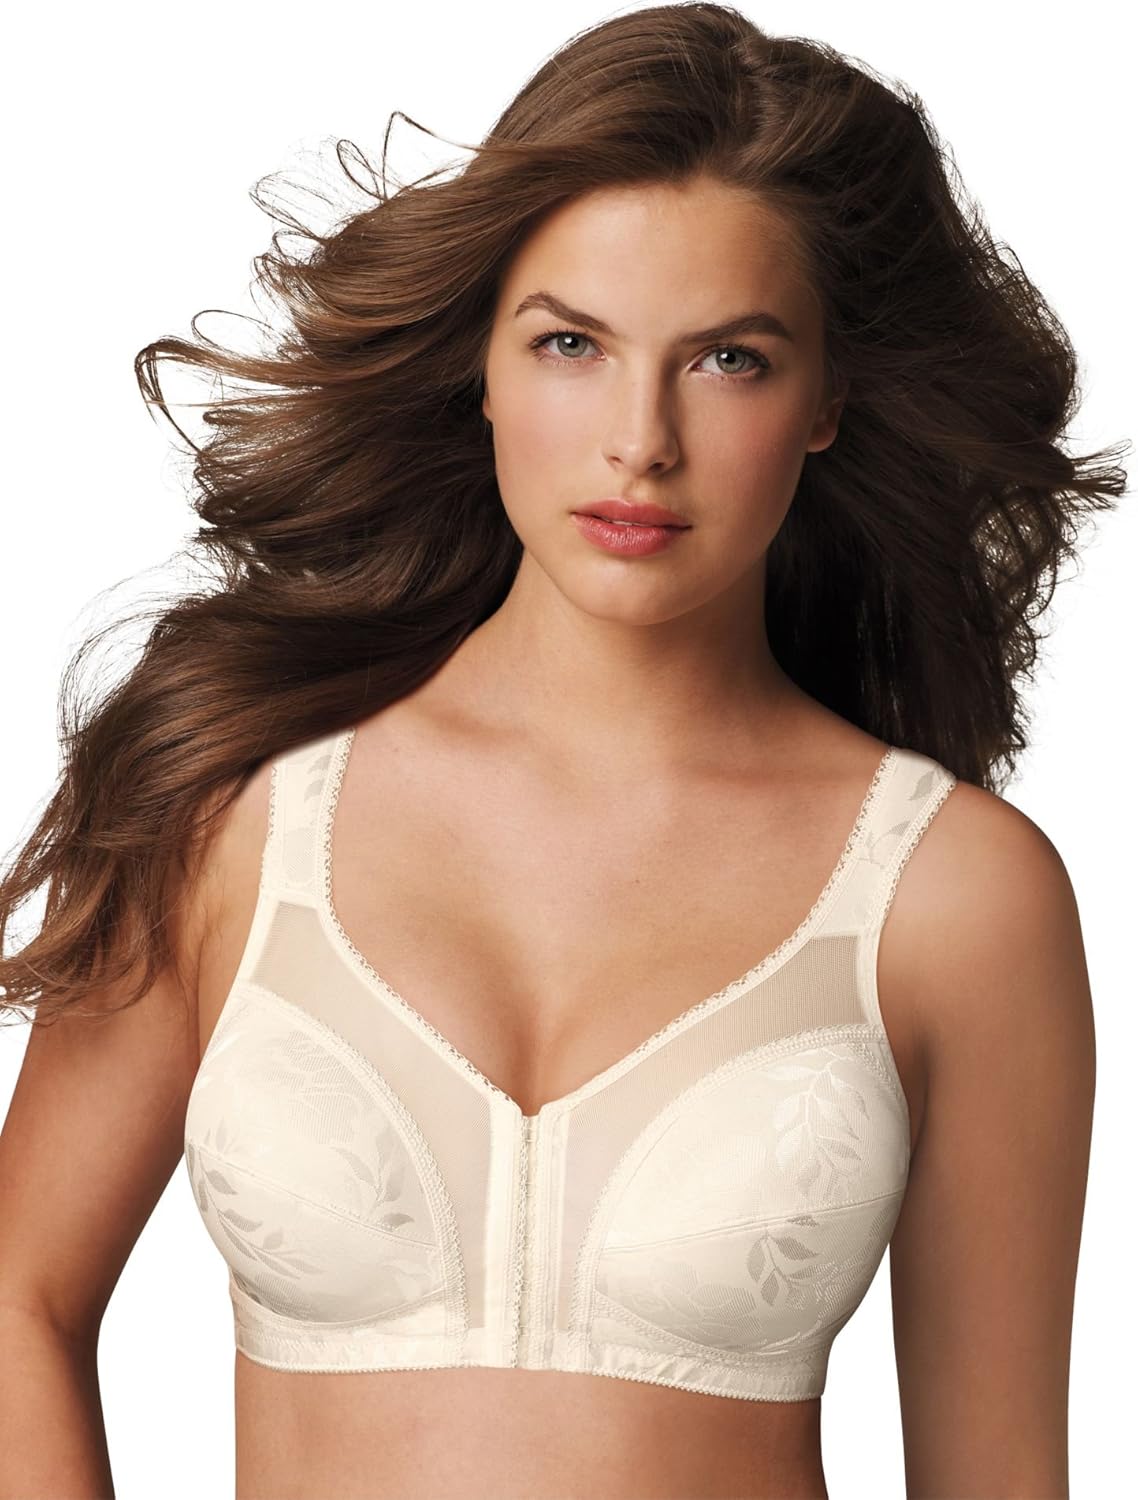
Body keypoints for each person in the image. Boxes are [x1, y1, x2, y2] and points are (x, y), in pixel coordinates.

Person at [0, 4, 1117, 1497]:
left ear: (828, 401)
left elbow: (995, 1474)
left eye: (728, 358)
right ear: (483, 361)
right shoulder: (232, 802)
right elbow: (17, 1302)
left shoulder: (956, 895)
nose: (639, 440)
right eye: (571, 344)